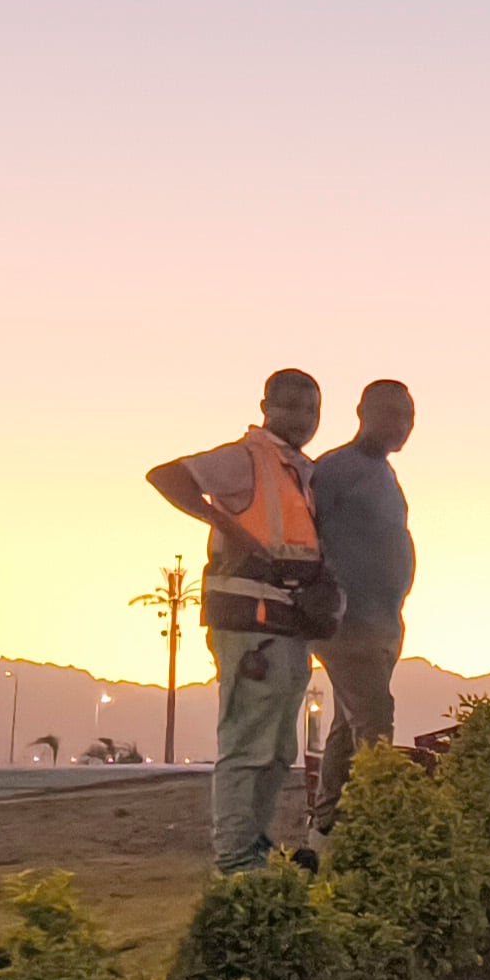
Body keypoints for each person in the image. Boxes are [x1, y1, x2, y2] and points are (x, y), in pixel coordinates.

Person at [143, 368, 341, 872]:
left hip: (286, 625)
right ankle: (234, 860)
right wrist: (220, 523)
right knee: (246, 746)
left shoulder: (299, 471)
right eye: (291, 407)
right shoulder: (246, 459)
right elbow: (167, 476)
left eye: (311, 410)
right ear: (265, 407)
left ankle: (253, 851)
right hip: (249, 625)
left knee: (277, 749)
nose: (302, 419)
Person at [307, 377, 418, 834]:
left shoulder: (384, 474)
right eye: (391, 413)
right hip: (347, 621)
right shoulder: (334, 469)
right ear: (361, 412)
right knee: (374, 720)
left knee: (345, 726)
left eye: (408, 416)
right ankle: (380, 824)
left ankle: (325, 828)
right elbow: (304, 530)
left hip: (382, 621)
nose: (401, 425)